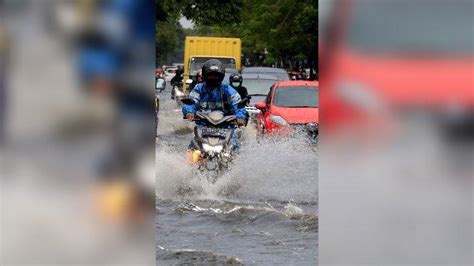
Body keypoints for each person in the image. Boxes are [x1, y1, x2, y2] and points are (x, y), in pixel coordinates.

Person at [182, 59, 248, 149]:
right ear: (205, 76)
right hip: (203, 126)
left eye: (216, 76)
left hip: (226, 127)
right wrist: (189, 112)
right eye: (210, 76)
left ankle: (235, 163)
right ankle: (187, 163)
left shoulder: (227, 89)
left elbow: (238, 105)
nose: (213, 78)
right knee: (192, 147)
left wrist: (241, 117)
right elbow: (191, 102)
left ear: (221, 76)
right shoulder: (199, 88)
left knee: (234, 146)